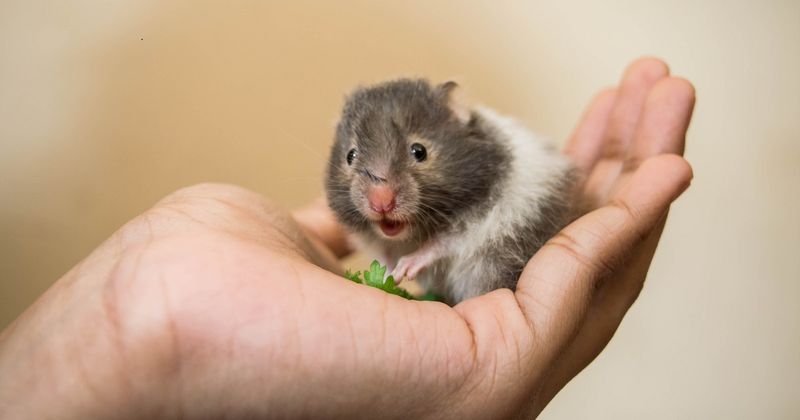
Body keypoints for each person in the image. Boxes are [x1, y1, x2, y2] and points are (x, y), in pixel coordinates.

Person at [0, 58, 694, 419]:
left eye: (417, 156)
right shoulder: (365, 198)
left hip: (490, 236)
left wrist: (438, 252)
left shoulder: (493, 165)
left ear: (456, 128)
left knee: (480, 267)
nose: (380, 192)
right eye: (360, 166)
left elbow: (470, 222)